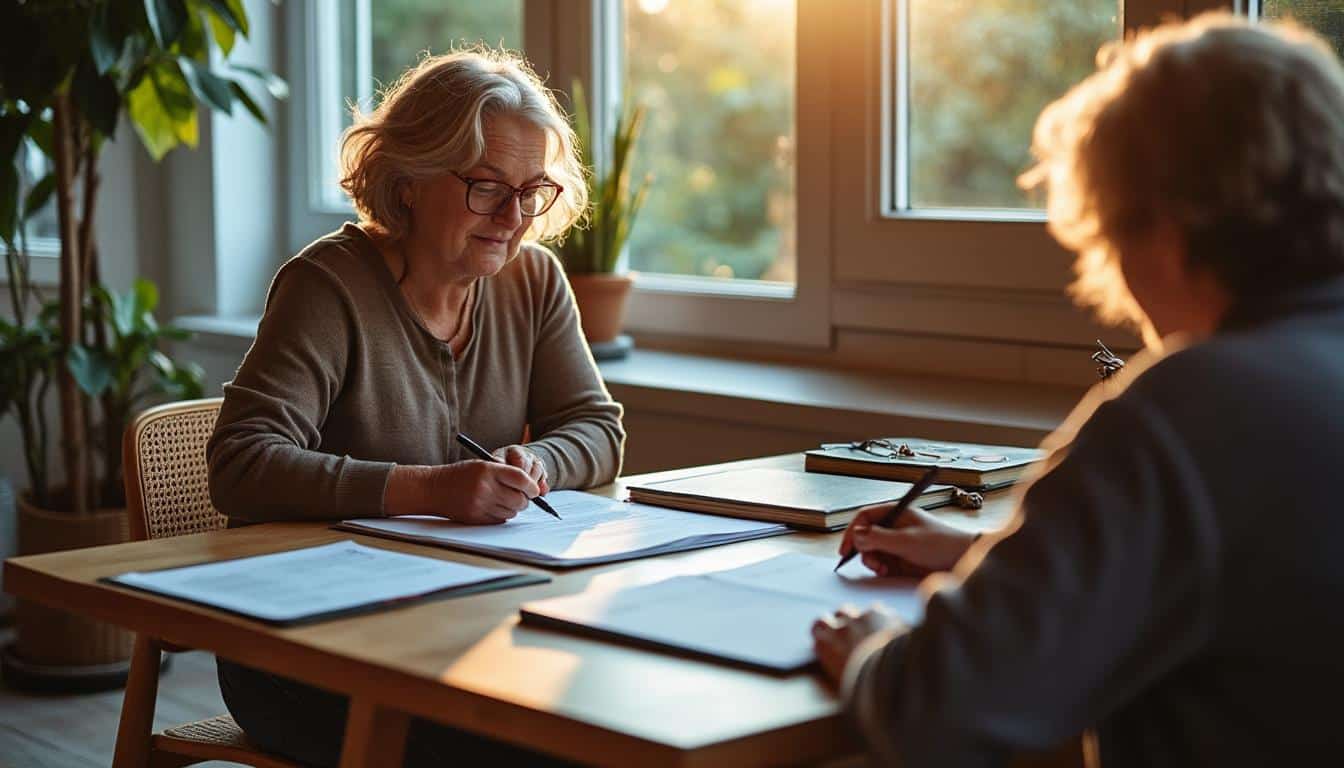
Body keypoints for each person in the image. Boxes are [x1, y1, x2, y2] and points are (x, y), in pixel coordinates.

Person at [812, 13, 1344, 767]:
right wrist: (985, 557)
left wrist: (872, 651)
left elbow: (942, 709)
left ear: (1155, 227)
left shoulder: (1188, 406)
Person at [205, 48, 623, 766]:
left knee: (605, 718)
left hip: (460, 628)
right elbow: (240, 465)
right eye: (488, 187)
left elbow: (597, 429)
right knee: (536, 746)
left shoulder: (535, 281)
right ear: (408, 180)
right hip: (305, 651)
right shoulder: (326, 287)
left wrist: (539, 463)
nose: (515, 217)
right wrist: (430, 491)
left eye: (533, 191)